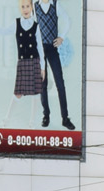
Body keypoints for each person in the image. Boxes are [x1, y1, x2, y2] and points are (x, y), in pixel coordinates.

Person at [35, 0, 75, 130]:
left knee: (60, 83)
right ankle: (46, 115)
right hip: (40, 49)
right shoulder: (35, 6)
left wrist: (61, 37)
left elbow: (68, 20)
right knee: (43, 83)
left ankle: (65, 118)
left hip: (52, 49)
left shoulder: (55, 5)